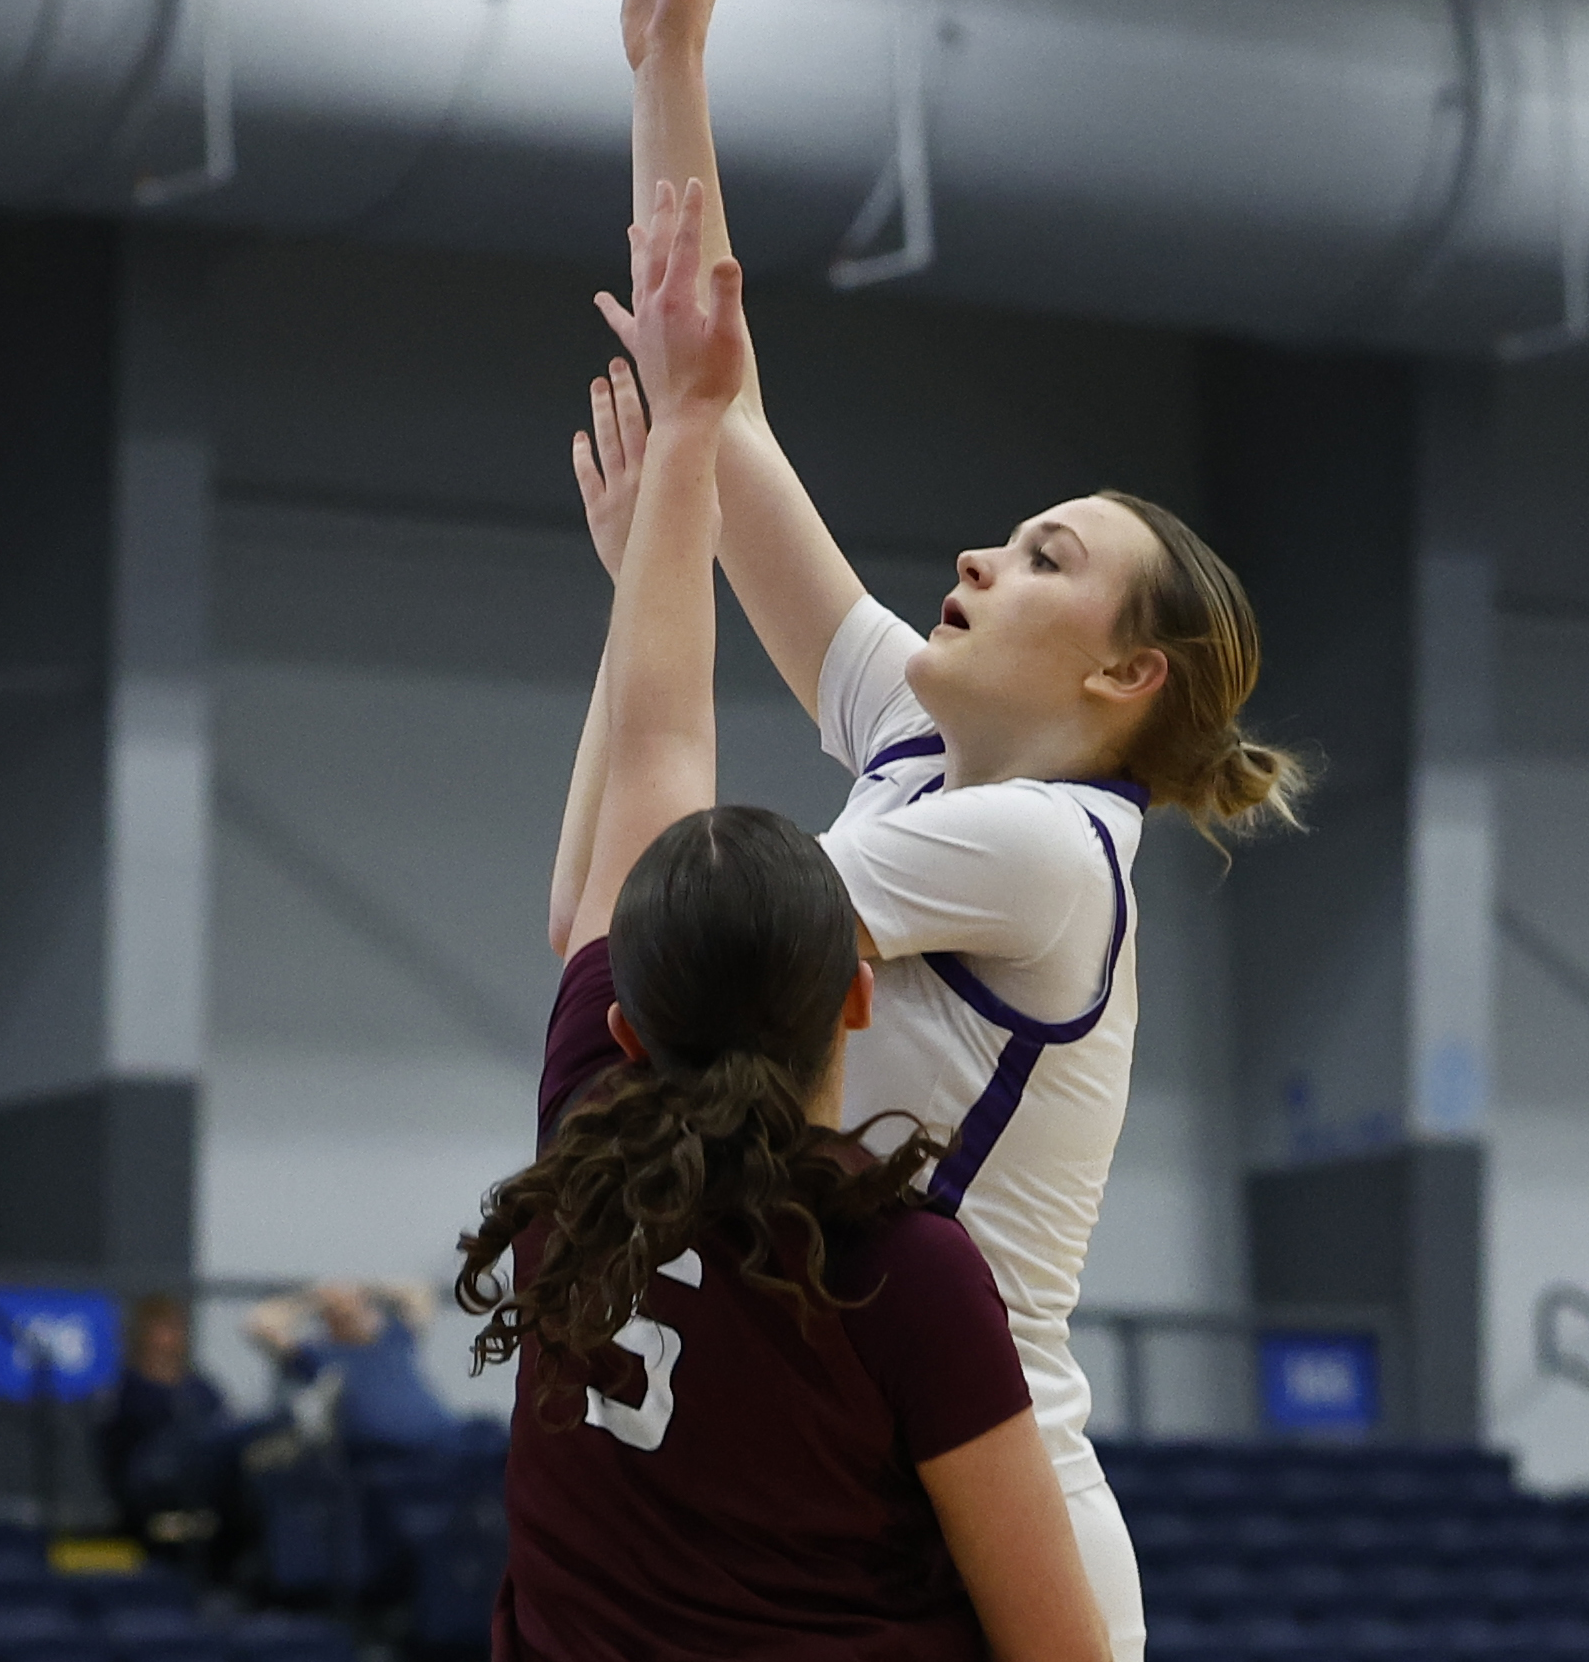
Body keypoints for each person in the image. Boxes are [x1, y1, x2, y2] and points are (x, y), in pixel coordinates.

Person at [574, 0, 1308, 1661]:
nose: (978, 558)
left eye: (1046, 555)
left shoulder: (1057, 849)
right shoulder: (931, 743)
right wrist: (670, 61)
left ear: (1129, 671)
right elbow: (722, 406)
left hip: (989, 1505)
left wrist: (666, 522)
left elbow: (679, 926)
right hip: (863, 1439)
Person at [460, 182, 1109, 1661]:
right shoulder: (900, 1269)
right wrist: (687, 442)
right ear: (857, 997)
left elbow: (648, 763)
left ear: (625, 1016)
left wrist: (668, 512)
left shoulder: (583, 1147)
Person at [244, 1282, 456, 1453]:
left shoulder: (395, 1339)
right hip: (381, 1452)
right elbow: (259, 1325)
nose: (355, 1318)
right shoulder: (318, 1355)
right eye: (342, 1315)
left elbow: (420, 1295)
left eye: (359, 1310)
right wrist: (314, 1300)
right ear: (329, 1322)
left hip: (444, 1440)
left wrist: (366, 1290)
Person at [99, 1293, 239, 1552]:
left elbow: (224, 1433)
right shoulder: (126, 1392)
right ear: (142, 1335)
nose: (168, 1338)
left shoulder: (202, 1390)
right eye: (160, 1329)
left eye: (175, 1328)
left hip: (205, 1499)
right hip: (147, 1503)